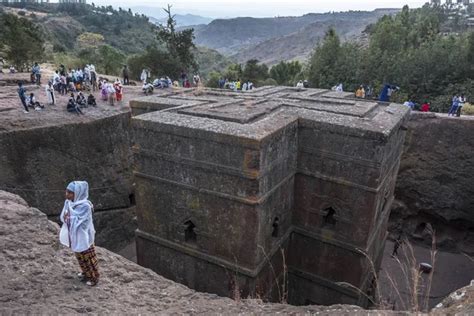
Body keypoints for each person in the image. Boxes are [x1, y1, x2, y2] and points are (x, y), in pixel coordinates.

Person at [59, 181, 99, 286]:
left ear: (77, 193)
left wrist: (69, 218)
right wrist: (66, 218)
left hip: (84, 236)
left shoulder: (86, 206)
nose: (67, 194)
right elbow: (64, 216)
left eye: (70, 192)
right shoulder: (68, 203)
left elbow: (83, 222)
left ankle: (93, 277)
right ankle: (85, 273)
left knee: (88, 257)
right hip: (75, 235)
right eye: (67, 191)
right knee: (79, 256)